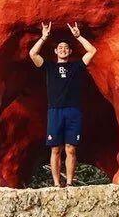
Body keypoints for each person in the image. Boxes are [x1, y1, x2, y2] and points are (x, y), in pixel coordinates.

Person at [28, 21, 97, 186]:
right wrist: (43, 37)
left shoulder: (76, 66)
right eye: (60, 48)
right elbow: (33, 54)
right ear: (55, 51)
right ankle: (57, 184)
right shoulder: (49, 67)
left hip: (73, 111)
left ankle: (70, 183)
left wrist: (78, 36)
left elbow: (92, 51)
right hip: (55, 111)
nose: (63, 49)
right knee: (55, 149)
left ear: (70, 51)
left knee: (71, 149)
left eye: (66, 47)